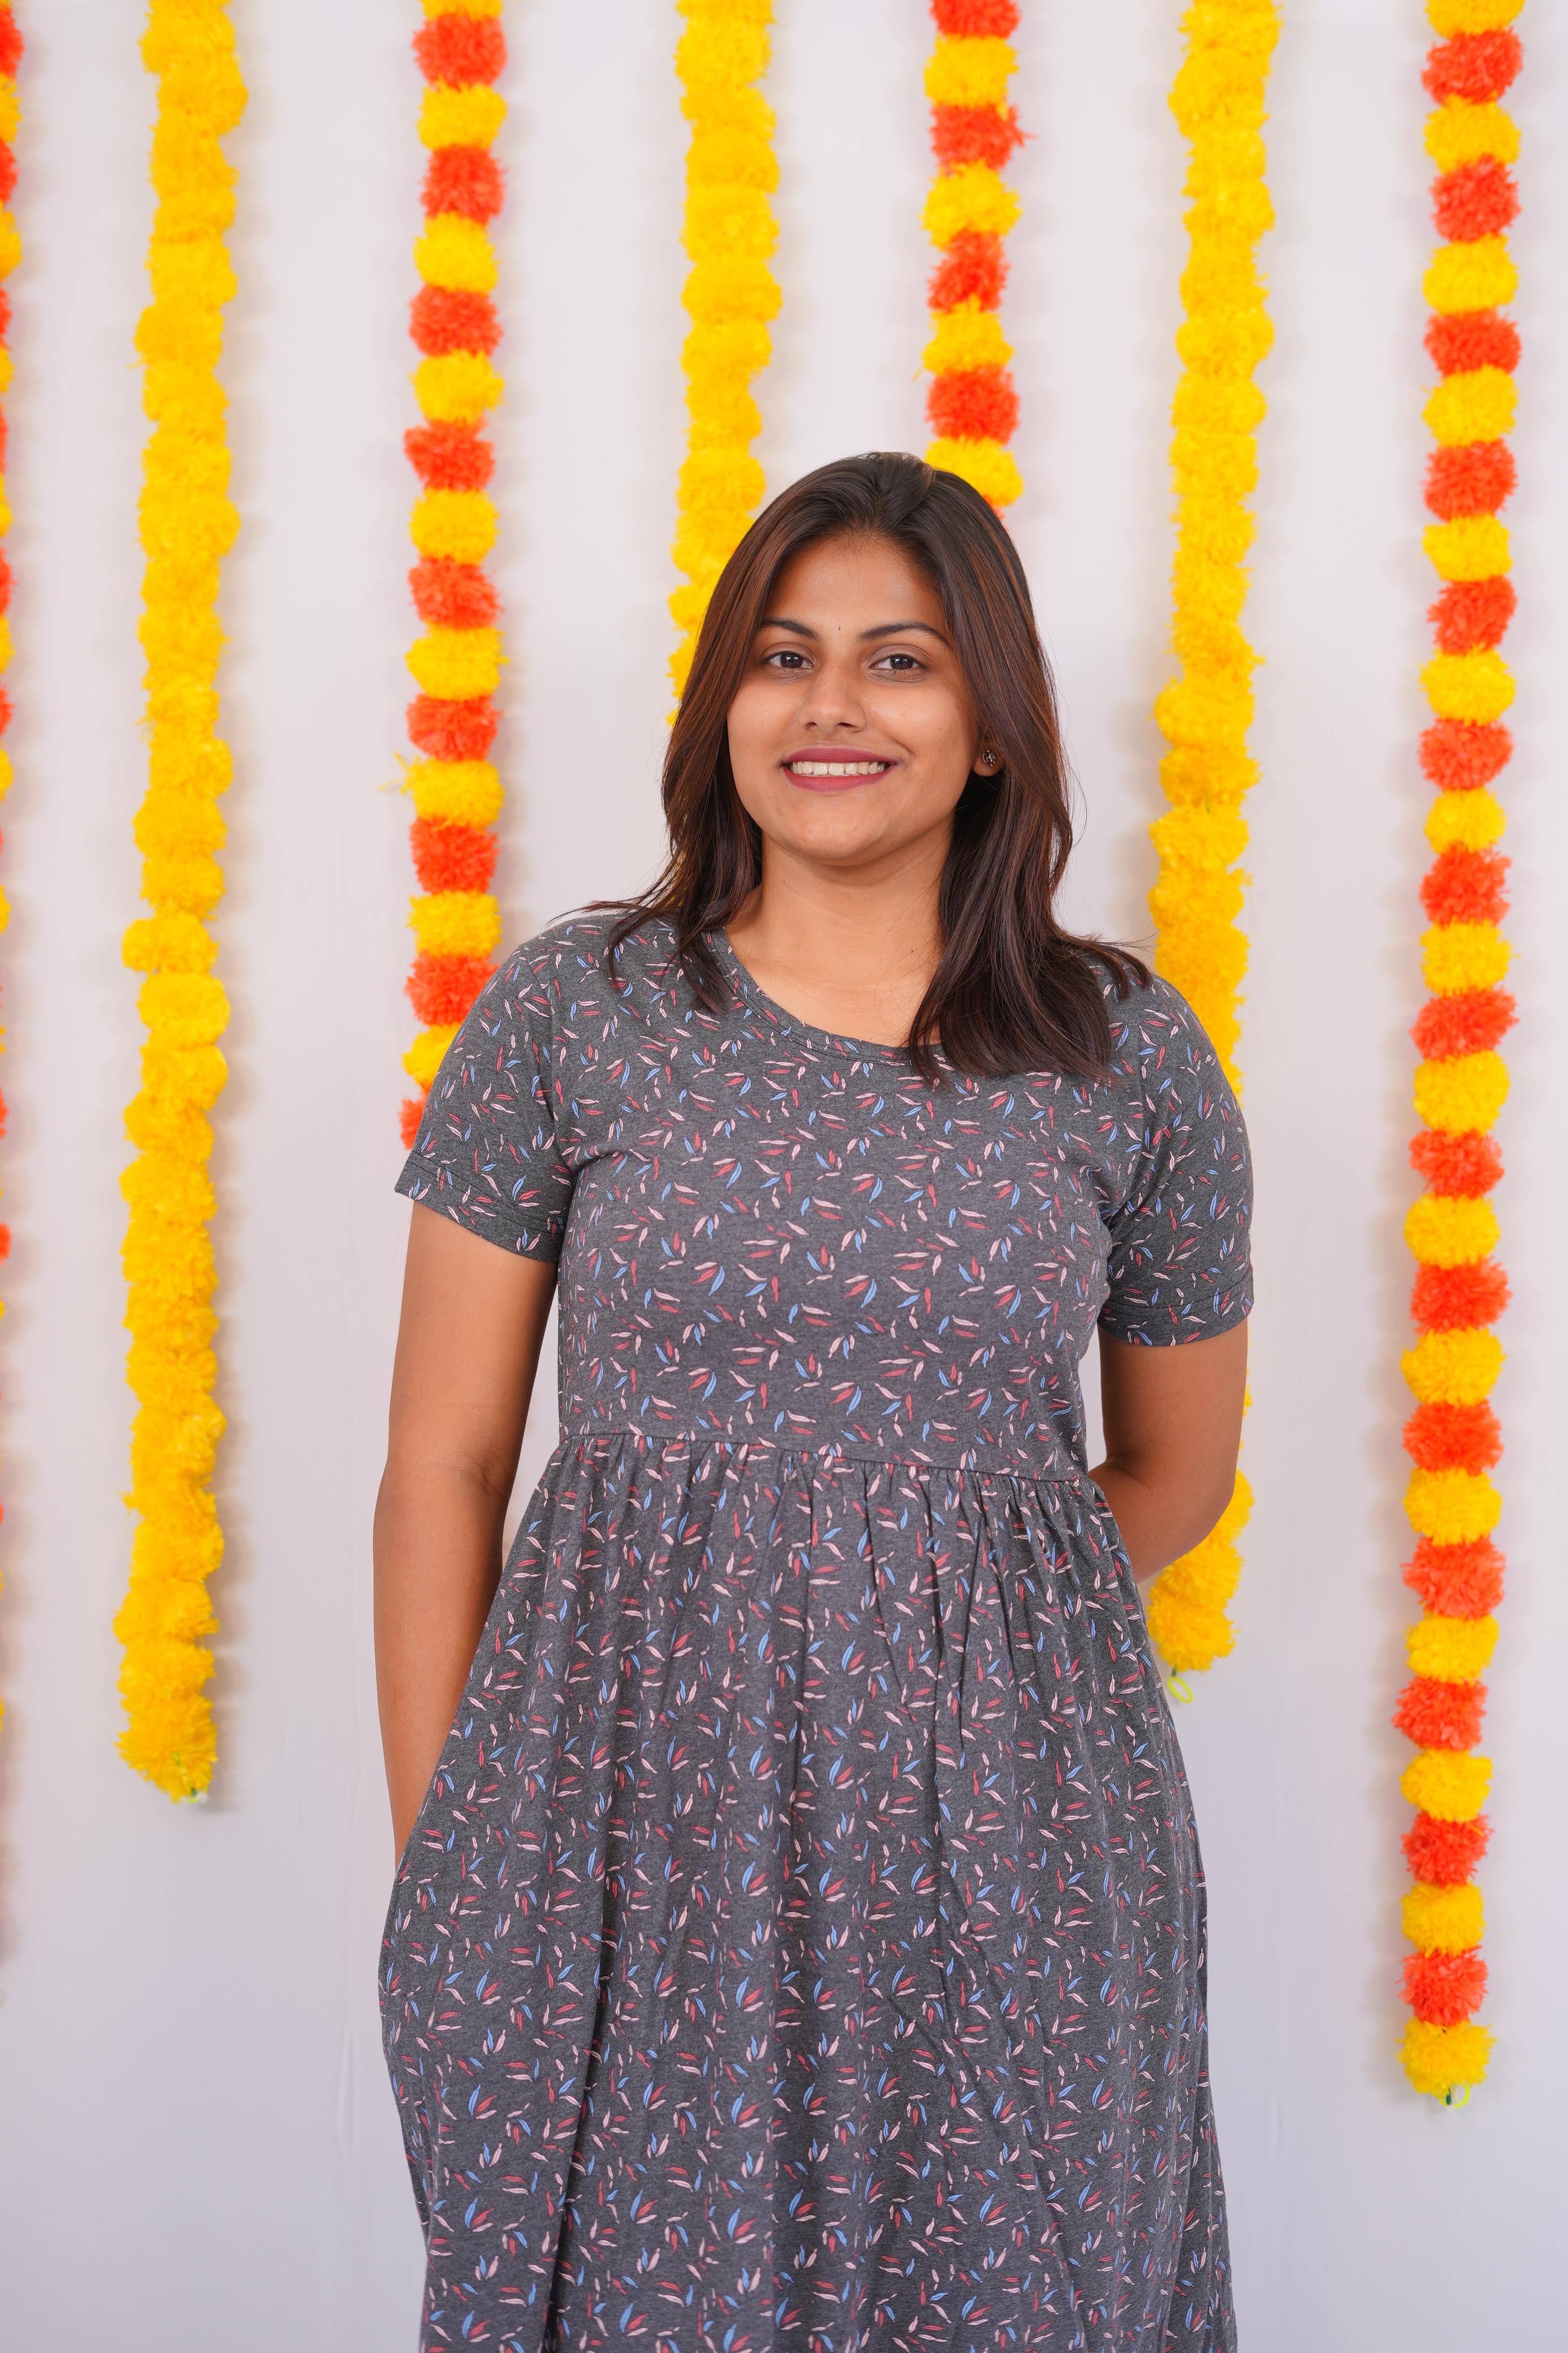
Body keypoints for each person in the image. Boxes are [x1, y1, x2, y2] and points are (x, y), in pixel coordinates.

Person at [375, 451, 1251, 2353]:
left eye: (900, 660)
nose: (831, 704)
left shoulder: (1127, 1055)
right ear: (725, 705)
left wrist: (935, 1631)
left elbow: (1178, 1472)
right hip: (619, 1830)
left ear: (994, 726)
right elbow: (443, 1461)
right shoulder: (580, 1011)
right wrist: (455, 1860)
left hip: (1016, 1842)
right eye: (783, 656)